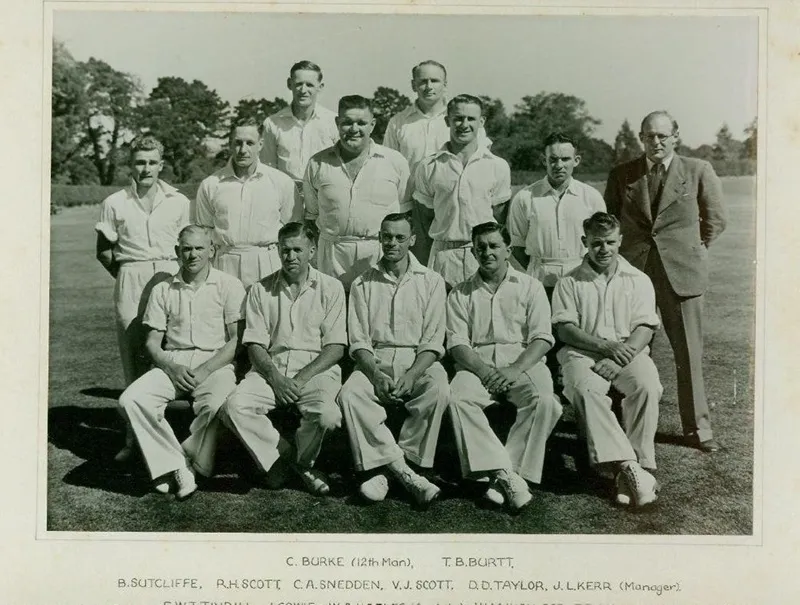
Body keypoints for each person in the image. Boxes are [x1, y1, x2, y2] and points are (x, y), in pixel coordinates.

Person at [604, 111, 727, 453]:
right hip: (634, 275)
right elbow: (610, 221)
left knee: (688, 354)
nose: (655, 143)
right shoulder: (622, 174)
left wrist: (690, 250)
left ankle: (698, 430)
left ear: (676, 136)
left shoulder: (698, 170)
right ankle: (621, 425)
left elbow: (715, 219)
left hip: (682, 275)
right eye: (648, 136)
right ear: (640, 139)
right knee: (629, 350)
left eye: (661, 136)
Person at [117, 225, 245, 499]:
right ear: (177, 252)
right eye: (186, 249)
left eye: (199, 248)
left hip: (215, 362)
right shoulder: (163, 289)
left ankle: (185, 461)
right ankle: (177, 464)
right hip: (172, 361)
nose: (193, 254)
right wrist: (171, 367)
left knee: (216, 404)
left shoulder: (229, 285)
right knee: (131, 400)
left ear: (212, 250)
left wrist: (206, 369)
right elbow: (152, 342)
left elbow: (236, 341)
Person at [219, 222, 346, 496]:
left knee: (328, 416)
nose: (291, 257)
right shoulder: (260, 289)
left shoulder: (332, 288)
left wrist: (298, 380)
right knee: (233, 406)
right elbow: (254, 345)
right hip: (270, 371)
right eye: (285, 250)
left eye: (298, 250)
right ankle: (289, 460)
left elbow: (335, 348)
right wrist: (276, 379)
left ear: (311, 251)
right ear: (278, 251)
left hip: (315, 372)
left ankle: (297, 462)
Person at [446, 223, 562, 512]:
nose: (487, 252)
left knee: (546, 400)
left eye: (494, 245)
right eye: (481, 247)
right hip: (477, 364)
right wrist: (485, 372)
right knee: (457, 398)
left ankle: (504, 477)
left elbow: (542, 338)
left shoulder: (531, 286)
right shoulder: (460, 293)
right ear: (473, 251)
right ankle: (505, 475)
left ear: (509, 249)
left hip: (523, 361)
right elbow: (458, 344)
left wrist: (515, 369)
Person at [552, 212, 663, 507]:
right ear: (584, 242)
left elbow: (645, 327)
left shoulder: (638, 279)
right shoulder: (569, 281)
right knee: (586, 391)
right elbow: (565, 330)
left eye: (610, 242)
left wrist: (617, 357)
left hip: (629, 353)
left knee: (648, 385)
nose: (604, 249)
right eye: (596, 243)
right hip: (582, 354)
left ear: (620, 241)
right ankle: (629, 468)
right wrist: (606, 348)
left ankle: (641, 465)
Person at [338, 212, 449, 507]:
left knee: (438, 389)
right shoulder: (363, 282)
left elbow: (433, 340)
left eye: (400, 237)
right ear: (379, 237)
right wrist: (375, 374)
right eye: (386, 236)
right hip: (375, 359)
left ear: (412, 240)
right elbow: (358, 340)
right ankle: (405, 472)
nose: (392, 243)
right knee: (350, 394)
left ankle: (395, 469)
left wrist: (412, 375)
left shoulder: (432, 281)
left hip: (418, 358)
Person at [95, 135, 190, 462]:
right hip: (131, 279)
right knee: (134, 361)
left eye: (152, 162)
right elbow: (104, 253)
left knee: (174, 353)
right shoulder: (115, 202)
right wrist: (127, 277)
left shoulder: (178, 201)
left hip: (169, 277)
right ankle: (134, 439)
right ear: (130, 165)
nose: (145, 168)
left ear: (161, 164)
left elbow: (188, 246)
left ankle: (184, 435)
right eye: (139, 162)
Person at [383, 61, 489, 264]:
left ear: (445, 84)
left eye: (435, 80)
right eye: (423, 81)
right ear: (414, 85)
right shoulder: (398, 122)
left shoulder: (461, 118)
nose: (429, 86)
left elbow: (481, 164)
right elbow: (389, 167)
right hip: (410, 210)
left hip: (450, 208)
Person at [303, 95, 410, 290]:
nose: (354, 129)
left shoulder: (395, 162)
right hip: (331, 258)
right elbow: (312, 215)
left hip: (380, 255)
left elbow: (405, 213)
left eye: (361, 123)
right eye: (347, 123)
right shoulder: (317, 163)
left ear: (373, 124)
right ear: (337, 123)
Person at [413, 95, 511, 288]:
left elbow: (498, 216)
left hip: (484, 255)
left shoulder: (497, 166)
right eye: (458, 118)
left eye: (471, 119)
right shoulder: (429, 166)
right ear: (447, 120)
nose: (464, 124)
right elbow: (425, 217)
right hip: (444, 256)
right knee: (443, 315)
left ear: (481, 121)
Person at [193, 118, 298, 288]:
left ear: (261, 144)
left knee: (267, 314)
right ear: (229, 143)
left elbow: (293, 231)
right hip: (225, 265)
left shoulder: (281, 182)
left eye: (250, 143)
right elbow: (203, 234)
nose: (243, 150)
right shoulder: (211, 185)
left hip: (268, 264)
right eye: (237, 143)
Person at [508, 132, 606, 299]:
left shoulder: (591, 197)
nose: (559, 165)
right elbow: (517, 246)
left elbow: (601, 241)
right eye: (553, 159)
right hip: (538, 283)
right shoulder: (525, 197)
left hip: (580, 281)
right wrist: (539, 269)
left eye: (565, 159)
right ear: (543, 160)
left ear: (576, 161)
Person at [261, 60, 339, 201]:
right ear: (289, 84)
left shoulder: (333, 122)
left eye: (309, 85)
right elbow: (267, 169)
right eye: (298, 84)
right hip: (286, 199)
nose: (303, 90)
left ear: (320, 87)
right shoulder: (272, 123)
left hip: (324, 201)